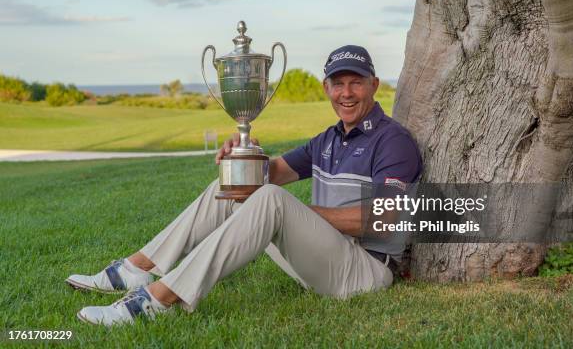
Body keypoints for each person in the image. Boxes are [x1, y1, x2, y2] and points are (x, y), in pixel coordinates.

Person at [67, 45, 422, 326]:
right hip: (322, 263)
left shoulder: (392, 141)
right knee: (238, 184)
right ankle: (137, 269)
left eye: (356, 82)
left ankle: (157, 301)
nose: (346, 93)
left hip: (363, 271)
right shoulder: (328, 139)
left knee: (269, 199)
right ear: (326, 87)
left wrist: (303, 214)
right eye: (338, 84)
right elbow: (273, 172)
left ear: (374, 85)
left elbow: (384, 220)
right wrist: (242, 159)